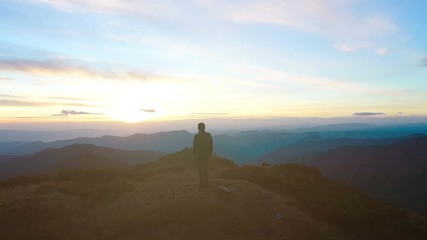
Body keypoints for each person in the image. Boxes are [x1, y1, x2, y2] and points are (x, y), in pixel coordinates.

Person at [193, 122, 213, 190]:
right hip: (206, 155)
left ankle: (202, 185)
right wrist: (210, 154)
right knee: (204, 169)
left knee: (200, 170)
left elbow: (195, 146)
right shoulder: (208, 135)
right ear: (204, 127)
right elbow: (211, 145)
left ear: (198, 128)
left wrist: (194, 154)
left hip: (199, 155)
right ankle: (206, 183)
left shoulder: (196, 136)